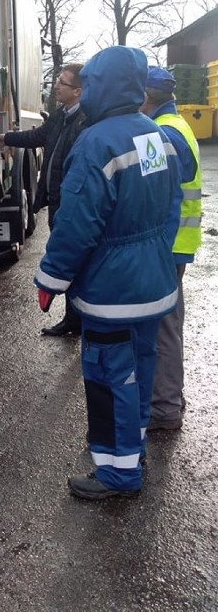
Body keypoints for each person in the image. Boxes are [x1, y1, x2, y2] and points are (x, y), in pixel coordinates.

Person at [34, 46, 181, 500]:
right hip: (153, 285)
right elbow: (170, 208)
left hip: (112, 293)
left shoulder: (97, 142)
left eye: (91, 82)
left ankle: (118, 473)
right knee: (138, 367)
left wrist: (50, 280)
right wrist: (159, 260)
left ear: (104, 85)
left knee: (108, 377)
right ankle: (130, 451)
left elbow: (77, 224)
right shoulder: (154, 135)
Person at [0, 63, 86, 337]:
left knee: (76, 262)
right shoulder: (60, 117)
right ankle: (74, 320)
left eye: (62, 82)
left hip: (72, 204)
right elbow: (37, 136)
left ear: (78, 91)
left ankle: (82, 319)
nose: (56, 85)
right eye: (57, 80)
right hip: (57, 203)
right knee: (66, 259)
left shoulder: (87, 122)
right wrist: (6, 137)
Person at [140, 66, 202, 432]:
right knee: (169, 322)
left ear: (146, 97)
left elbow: (152, 192)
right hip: (177, 241)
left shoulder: (160, 134)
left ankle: (163, 407)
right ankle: (170, 397)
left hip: (166, 243)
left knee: (163, 326)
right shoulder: (178, 126)